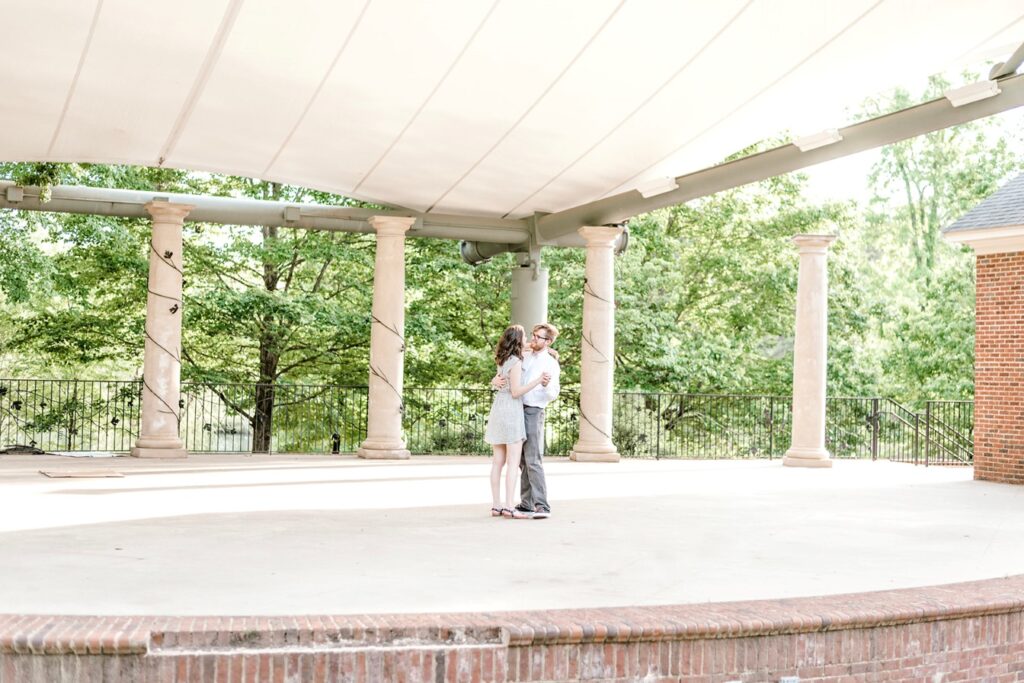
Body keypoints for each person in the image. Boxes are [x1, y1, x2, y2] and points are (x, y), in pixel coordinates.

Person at [493, 323, 560, 520]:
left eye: (538, 337)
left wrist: (546, 385)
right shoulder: (525, 355)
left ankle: (541, 505)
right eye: (532, 335)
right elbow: (506, 368)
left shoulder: (551, 363)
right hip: (515, 409)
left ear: (547, 341)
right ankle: (526, 503)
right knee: (520, 460)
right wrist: (494, 381)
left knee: (532, 458)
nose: (533, 339)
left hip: (533, 410)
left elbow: (553, 393)